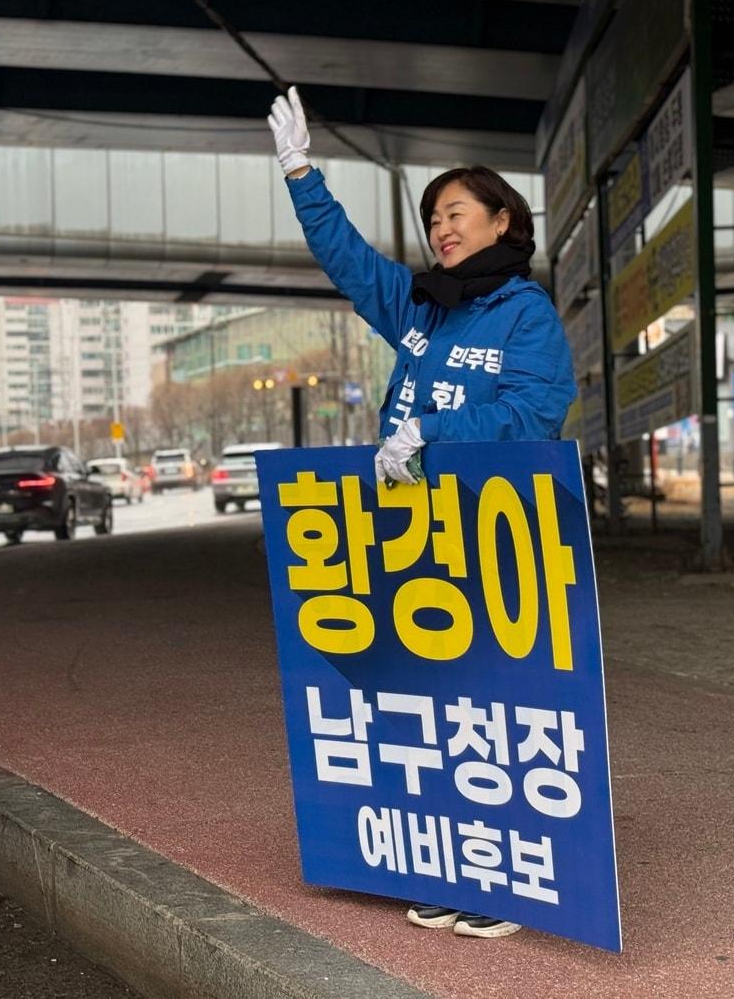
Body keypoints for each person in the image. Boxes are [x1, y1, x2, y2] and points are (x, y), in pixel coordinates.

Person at [267, 86, 576, 939]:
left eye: (458, 213)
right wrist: (301, 172)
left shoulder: (527, 315)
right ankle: (448, 861)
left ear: (505, 223)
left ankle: (503, 880)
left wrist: (431, 433)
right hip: (414, 538)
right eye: (434, 216)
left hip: (499, 539)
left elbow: (534, 413)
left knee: (495, 709)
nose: (442, 227)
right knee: (429, 704)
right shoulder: (420, 307)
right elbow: (350, 261)